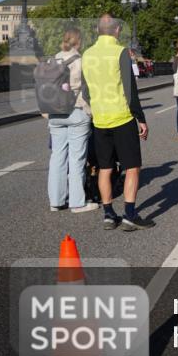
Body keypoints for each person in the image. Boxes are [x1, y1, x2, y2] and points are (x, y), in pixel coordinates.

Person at [80, 14, 152, 231]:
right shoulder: (120, 52)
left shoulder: (87, 54)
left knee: (105, 168)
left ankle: (109, 214)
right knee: (132, 167)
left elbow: (85, 91)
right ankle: (130, 213)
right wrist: (141, 118)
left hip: (100, 120)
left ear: (98, 30)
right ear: (117, 30)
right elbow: (131, 90)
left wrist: (97, 108)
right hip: (122, 117)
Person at [46, 28, 97, 213]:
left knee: (57, 157)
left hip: (54, 113)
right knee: (77, 159)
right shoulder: (81, 61)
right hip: (76, 111)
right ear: (78, 41)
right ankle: (77, 202)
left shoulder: (53, 60)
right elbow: (91, 88)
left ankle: (56, 201)